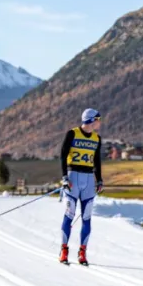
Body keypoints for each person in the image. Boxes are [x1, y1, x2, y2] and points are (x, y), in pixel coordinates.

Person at [59, 108, 103, 266]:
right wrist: (64, 177)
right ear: (91, 120)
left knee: (86, 217)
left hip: (88, 180)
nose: (100, 122)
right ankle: (64, 249)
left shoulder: (97, 138)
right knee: (69, 214)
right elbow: (63, 155)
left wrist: (99, 180)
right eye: (98, 119)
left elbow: (97, 161)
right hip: (73, 177)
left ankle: (82, 252)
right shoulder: (72, 133)